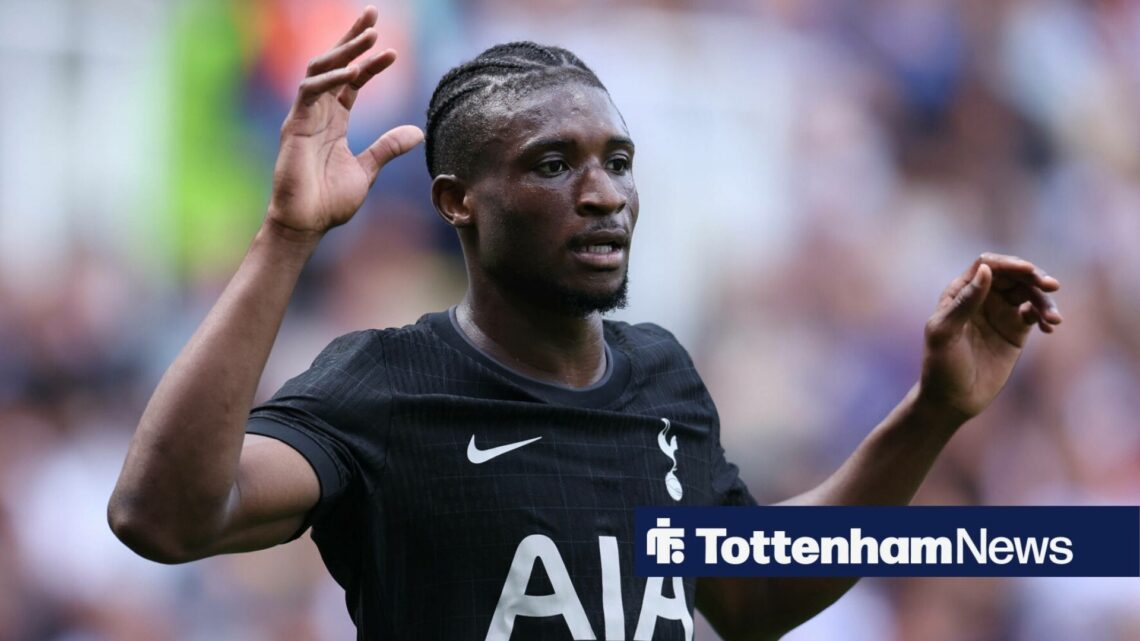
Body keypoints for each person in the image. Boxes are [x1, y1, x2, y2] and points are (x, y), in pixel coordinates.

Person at [107, 6, 1062, 640]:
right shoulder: (385, 384)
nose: (603, 194)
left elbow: (745, 591)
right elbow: (163, 517)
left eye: (619, 159)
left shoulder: (662, 377)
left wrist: (934, 409)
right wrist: (286, 234)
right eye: (554, 164)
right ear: (458, 203)